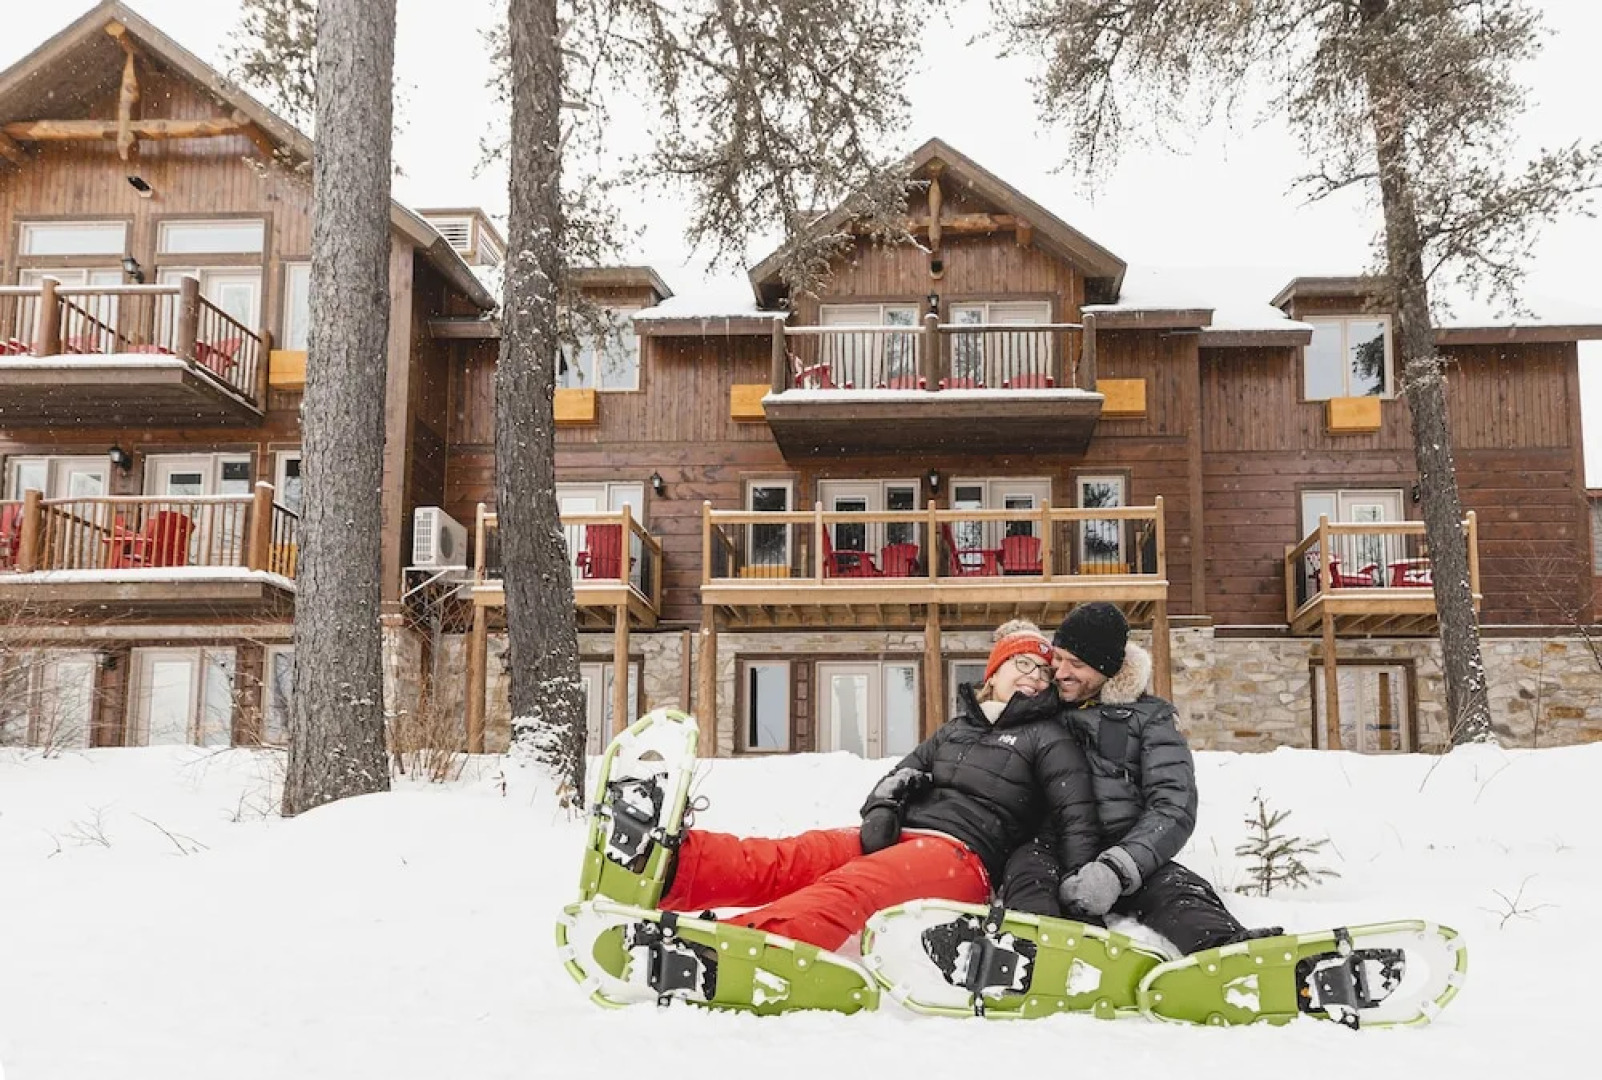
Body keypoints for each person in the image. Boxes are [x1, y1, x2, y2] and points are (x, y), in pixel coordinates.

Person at [653, 620, 1100, 952]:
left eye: (1044, 673)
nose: (1035, 677)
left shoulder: (1050, 737)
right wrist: (883, 807)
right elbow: (900, 775)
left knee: (852, 886)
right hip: (904, 835)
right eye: (1024, 664)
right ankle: (671, 866)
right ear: (994, 671)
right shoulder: (957, 729)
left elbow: (1075, 818)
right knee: (800, 855)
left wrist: (1081, 897)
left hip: (963, 858)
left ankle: (734, 948)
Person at [999, 602, 1276, 953]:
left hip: (1125, 846)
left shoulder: (1150, 718)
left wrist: (1119, 867)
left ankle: (1232, 956)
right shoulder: (1041, 708)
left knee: (1178, 892)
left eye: (1077, 664)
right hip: (1051, 845)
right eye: (1059, 658)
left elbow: (1172, 804)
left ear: (1108, 668)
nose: (1061, 672)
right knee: (1029, 878)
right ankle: (1031, 955)